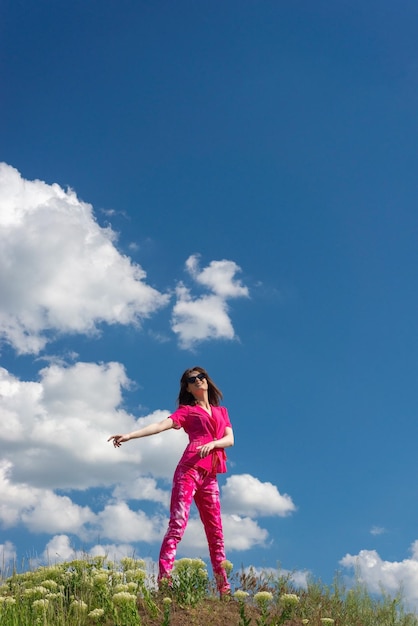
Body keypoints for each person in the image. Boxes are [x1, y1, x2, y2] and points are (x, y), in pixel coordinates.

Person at [108, 366, 234, 596]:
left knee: (216, 533)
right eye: (191, 379)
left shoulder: (221, 411)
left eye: (200, 377)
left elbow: (230, 439)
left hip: (210, 475)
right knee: (177, 525)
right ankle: (164, 585)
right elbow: (159, 426)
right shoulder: (186, 411)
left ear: (207, 380)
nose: (198, 381)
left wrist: (213, 444)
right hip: (188, 471)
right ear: (187, 387)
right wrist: (129, 435)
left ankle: (224, 590)